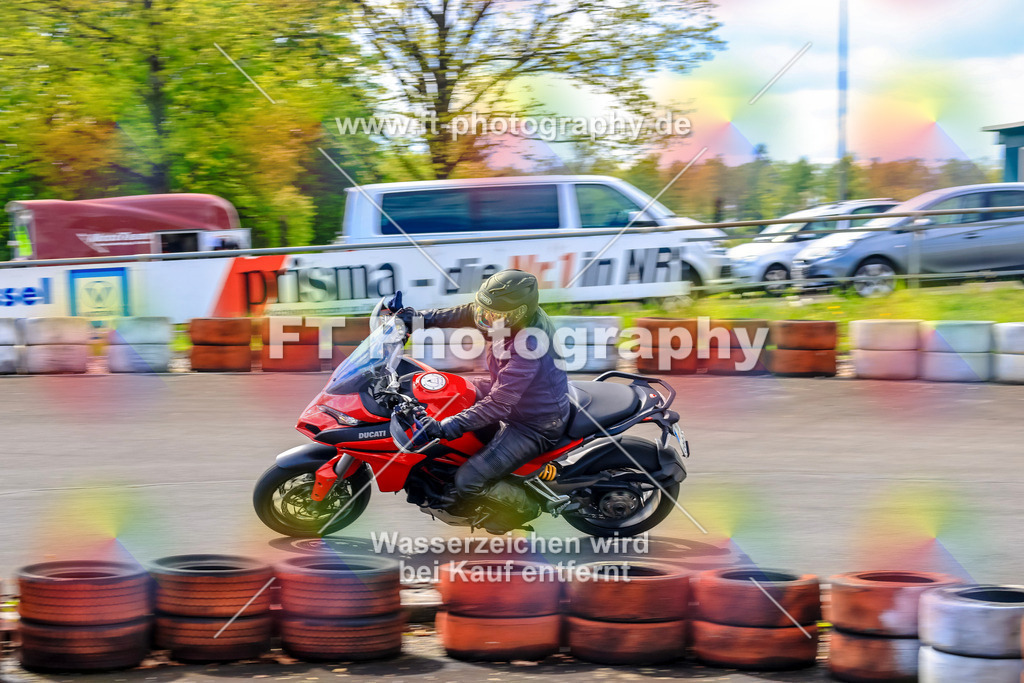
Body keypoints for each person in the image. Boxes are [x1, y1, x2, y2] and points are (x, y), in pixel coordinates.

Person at [385, 269, 570, 521]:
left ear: (519, 314)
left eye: (494, 314)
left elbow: (497, 405)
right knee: (445, 390)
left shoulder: (529, 346)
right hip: (509, 391)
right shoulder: (502, 318)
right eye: (485, 309)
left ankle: (527, 509)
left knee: (468, 481)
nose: (485, 318)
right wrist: (417, 319)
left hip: (534, 423)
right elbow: (466, 312)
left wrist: (443, 427)